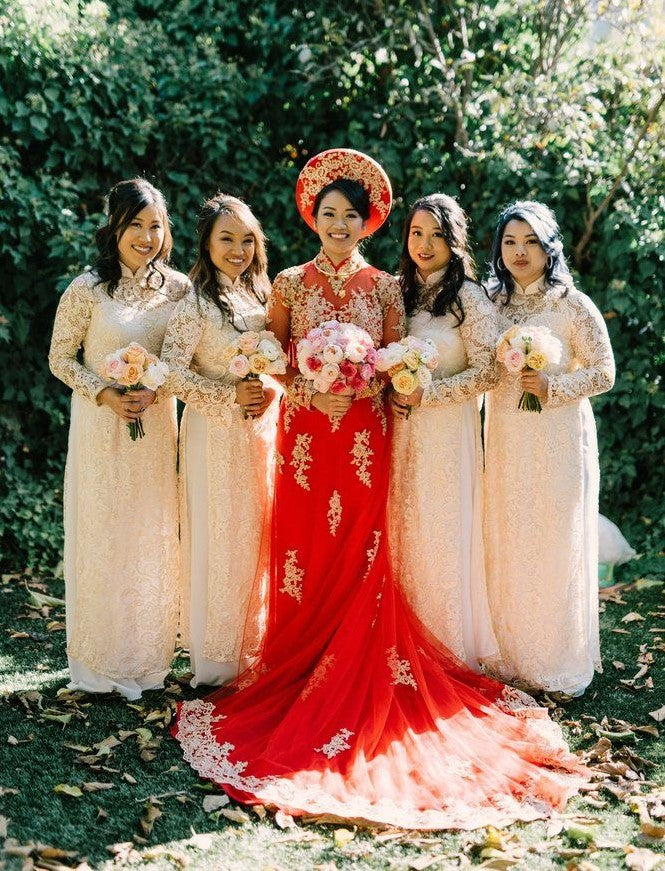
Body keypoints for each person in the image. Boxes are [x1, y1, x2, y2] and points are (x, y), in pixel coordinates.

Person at [173, 152, 588, 830]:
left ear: (368, 223)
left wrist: (361, 383)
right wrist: (305, 381)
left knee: (362, 547)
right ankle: (296, 660)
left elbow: (395, 363)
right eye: (328, 214)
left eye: (351, 215)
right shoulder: (286, 281)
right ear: (312, 217)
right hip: (306, 436)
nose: (339, 224)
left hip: (366, 436)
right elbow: (274, 358)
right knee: (303, 548)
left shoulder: (386, 288)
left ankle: (359, 658)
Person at [48, 178, 189, 699]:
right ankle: (97, 662)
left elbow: (182, 359)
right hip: (98, 428)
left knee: (150, 532)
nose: (147, 236)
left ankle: (148, 660)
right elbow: (59, 358)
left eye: (155, 226)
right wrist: (104, 392)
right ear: (115, 228)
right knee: (103, 531)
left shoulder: (179, 289)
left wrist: (159, 388)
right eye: (135, 225)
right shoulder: (87, 288)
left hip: (155, 430)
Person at [484, 200, 615, 696]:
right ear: (498, 249)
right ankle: (511, 654)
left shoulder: (570, 303)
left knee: (554, 537)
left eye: (531, 241)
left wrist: (554, 388)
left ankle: (556, 659)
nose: (520, 252)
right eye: (510, 242)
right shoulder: (490, 304)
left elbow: (605, 371)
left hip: (558, 435)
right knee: (510, 533)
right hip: (506, 436)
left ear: (548, 246)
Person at [161, 194, 275, 688]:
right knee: (218, 535)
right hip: (213, 434)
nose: (238, 249)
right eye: (226, 238)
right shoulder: (195, 304)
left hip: (260, 435)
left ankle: (256, 648)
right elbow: (170, 374)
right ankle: (215, 661)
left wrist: (267, 389)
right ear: (206, 244)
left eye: (247, 239)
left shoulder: (263, 297)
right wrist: (229, 396)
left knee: (257, 536)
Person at [389, 193, 499, 670]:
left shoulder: (470, 298)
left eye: (436, 234)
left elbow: (488, 372)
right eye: (417, 233)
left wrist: (428, 395)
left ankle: (447, 645)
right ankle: (400, 640)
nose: (425, 243)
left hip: (448, 434)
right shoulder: (394, 292)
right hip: (399, 430)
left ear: (454, 241)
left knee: (442, 529)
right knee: (402, 530)